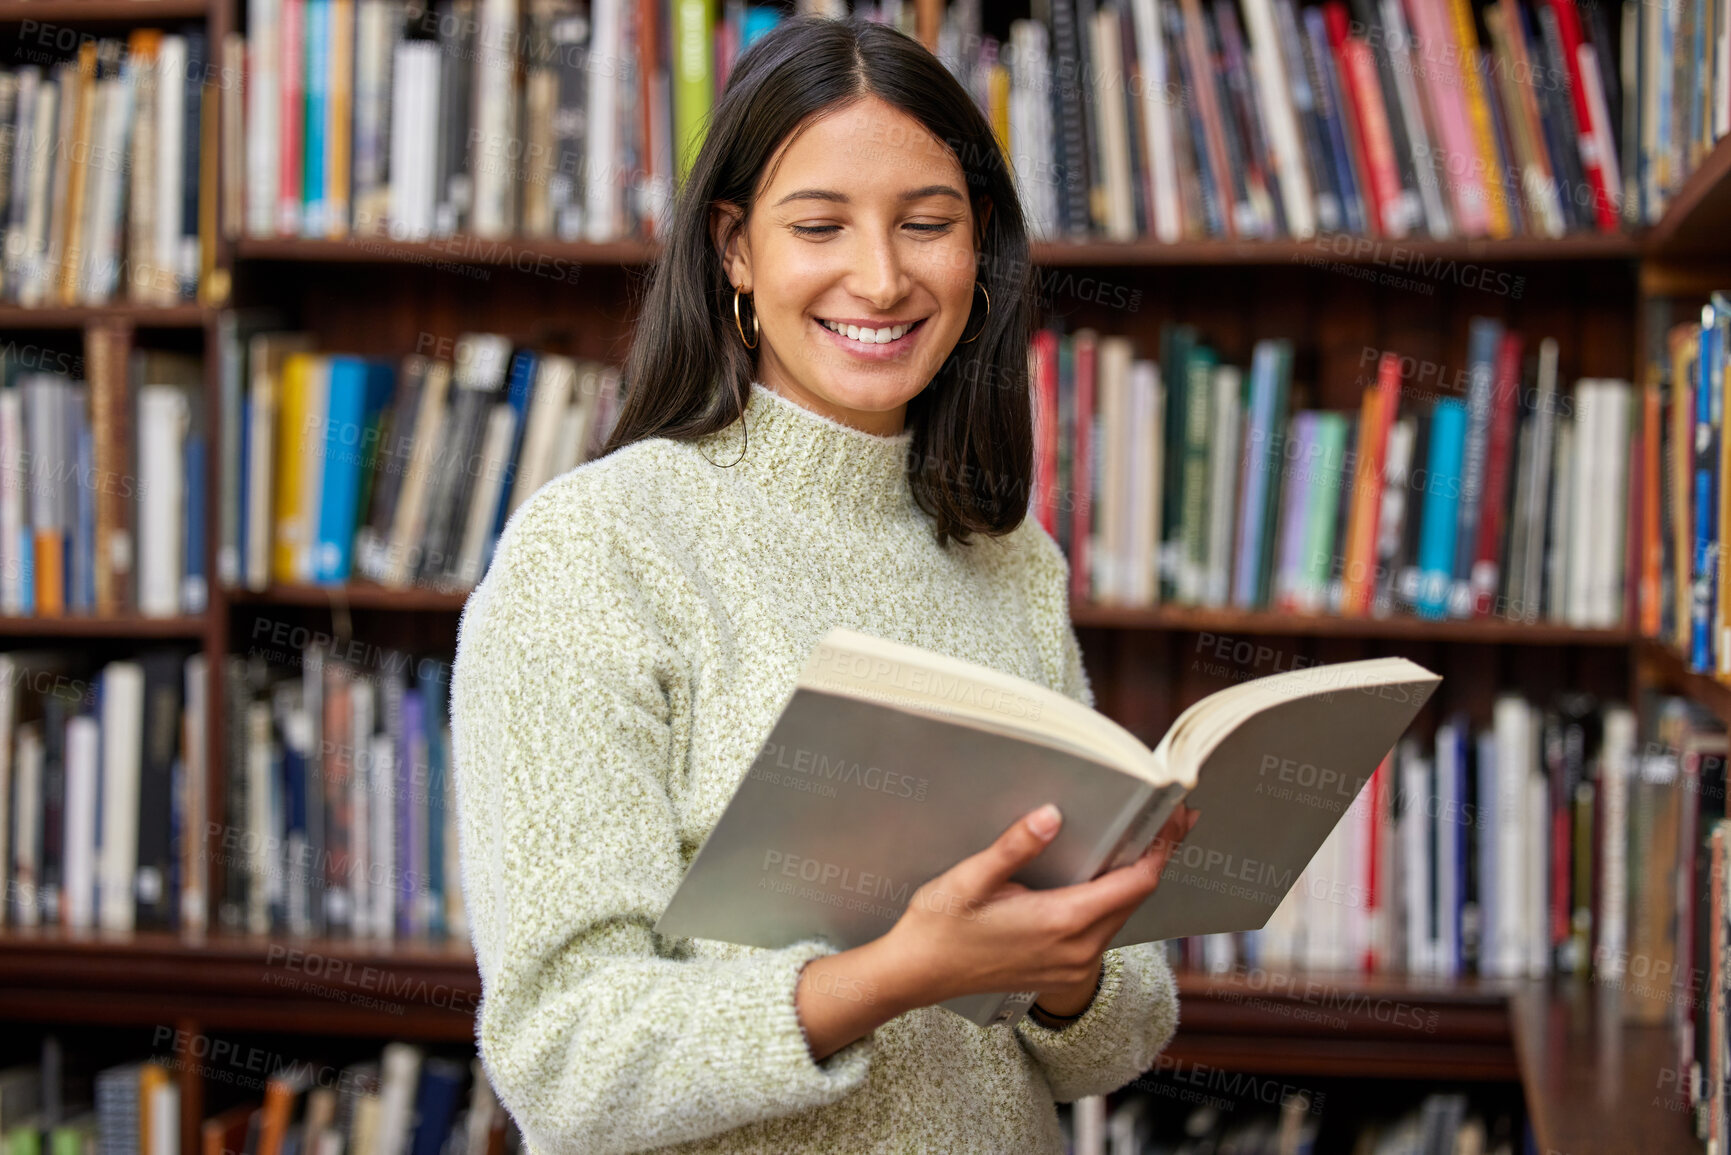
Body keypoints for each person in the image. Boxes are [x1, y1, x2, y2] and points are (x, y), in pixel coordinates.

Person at [450, 16, 1192, 1154]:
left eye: (926, 225)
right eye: (820, 225)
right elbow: (563, 1057)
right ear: (736, 251)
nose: (883, 277)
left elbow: (1115, 1039)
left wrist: (1070, 970)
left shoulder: (1007, 556)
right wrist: (892, 976)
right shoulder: (597, 547)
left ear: (977, 247)